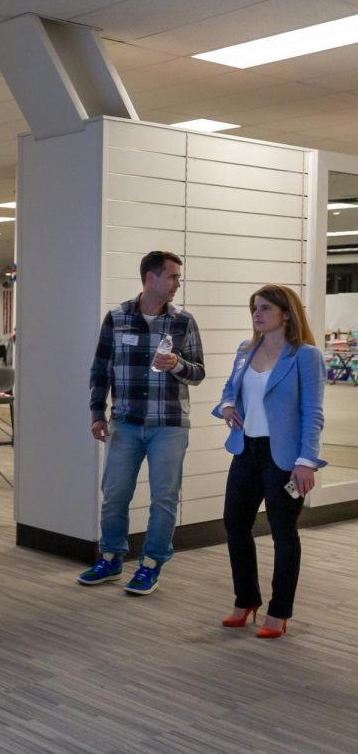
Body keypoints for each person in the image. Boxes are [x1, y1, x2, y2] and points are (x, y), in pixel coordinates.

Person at [80, 251, 204, 595]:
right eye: (173, 277)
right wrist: (96, 413)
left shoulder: (183, 322)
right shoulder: (117, 317)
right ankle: (110, 559)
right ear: (151, 278)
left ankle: (151, 564)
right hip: (126, 422)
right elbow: (99, 369)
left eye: (178, 277)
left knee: (164, 497)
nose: (178, 283)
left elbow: (198, 373)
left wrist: (177, 364)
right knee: (115, 494)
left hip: (170, 424)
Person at [213, 285, 326, 639]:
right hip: (245, 451)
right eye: (254, 309)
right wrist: (227, 406)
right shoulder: (246, 350)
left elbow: (313, 412)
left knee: (283, 534)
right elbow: (230, 388)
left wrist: (306, 461)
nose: (257, 314)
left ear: (286, 313)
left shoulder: (305, 355)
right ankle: (245, 599)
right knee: (234, 525)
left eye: (264, 308)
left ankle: (279, 611)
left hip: (286, 459)